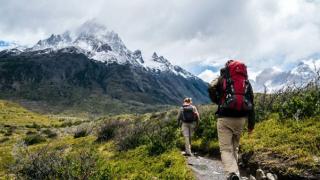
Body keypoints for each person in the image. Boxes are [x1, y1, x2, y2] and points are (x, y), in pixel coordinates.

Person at [209, 60, 255, 180]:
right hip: (241, 119)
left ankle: (232, 173)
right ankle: (236, 174)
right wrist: (251, 125)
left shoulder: (222, 79)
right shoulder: (246, 82)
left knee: (225, 149)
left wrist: (218, 101)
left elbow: (211, 87)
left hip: (224, 118)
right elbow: (252, 103)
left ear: (227, 68)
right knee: (234, 147)